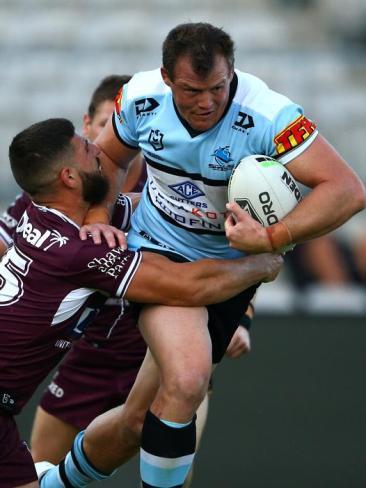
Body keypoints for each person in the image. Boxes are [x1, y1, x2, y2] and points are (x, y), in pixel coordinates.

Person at [38, 22, 366, 488]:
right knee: (188, 379)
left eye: (218, 87)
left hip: (230, 271)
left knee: (136, 423)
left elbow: (348, 190)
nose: (208, 101)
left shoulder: (270, 115)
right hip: (158, 249)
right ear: (168, 79)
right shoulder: (139, 97)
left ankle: (55, 483)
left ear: (232, 73)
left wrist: (275, 236)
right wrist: (97, 218)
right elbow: (110, 158)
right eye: (193, 90)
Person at [0, 117, 281, 488]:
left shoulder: (51, 214)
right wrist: (262, 263)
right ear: (69, 177)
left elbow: (153, 209)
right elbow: (186, 287)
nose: (99, 149)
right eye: (87, 147)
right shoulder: (79, 252)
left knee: (134, 423)